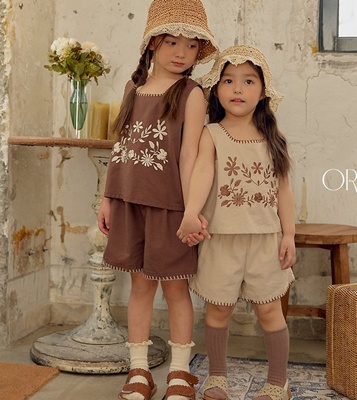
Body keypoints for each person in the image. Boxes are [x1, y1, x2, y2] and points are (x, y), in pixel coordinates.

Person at [97, 1, 218, 400]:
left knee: (176, 289)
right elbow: (120, 147)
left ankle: (180, 373)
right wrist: (107, 198)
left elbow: (190, 156)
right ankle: (139, 370)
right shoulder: (132, 89)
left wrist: (190, 211)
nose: (182, 52)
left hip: (170, 207)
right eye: (172, 42)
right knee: (141, 286)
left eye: (191, 45)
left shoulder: (191, 93)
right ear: (152, 43)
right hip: (129, 202)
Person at [176, 45, 296, 400]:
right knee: (218, 310)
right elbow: (201, 172)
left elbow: (284, 191)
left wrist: (289, 234)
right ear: (216, 89)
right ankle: (217, 378)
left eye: (248, 81)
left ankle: (278, 383)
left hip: (265, 241)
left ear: (263, 91)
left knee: (270, 310)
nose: (238, 89)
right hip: (220, 239)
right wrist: (191, 212)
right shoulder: (211, 133)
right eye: (228, 81)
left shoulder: (273, 139)